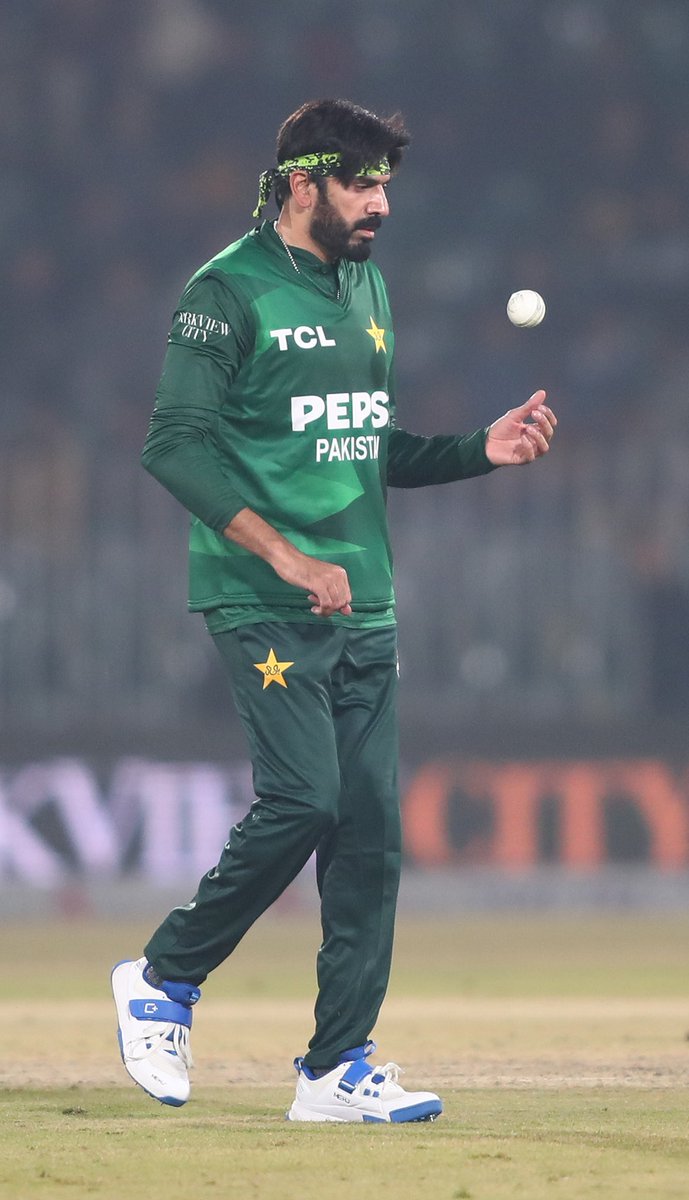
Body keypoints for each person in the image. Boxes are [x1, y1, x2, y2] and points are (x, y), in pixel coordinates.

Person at [111, 98, 556, 1124]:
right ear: (301, 183)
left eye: (386, 185)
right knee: (304, 799)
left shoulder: (367, 286)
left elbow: (363, 446)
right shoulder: (223, 295)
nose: (380, 203)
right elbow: (172, 445)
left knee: (366, 836)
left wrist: (473, 452)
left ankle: (334, 1069)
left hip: (363, 604)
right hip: (262, 597)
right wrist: (287, 555)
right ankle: (164, 978)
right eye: (361, 183)